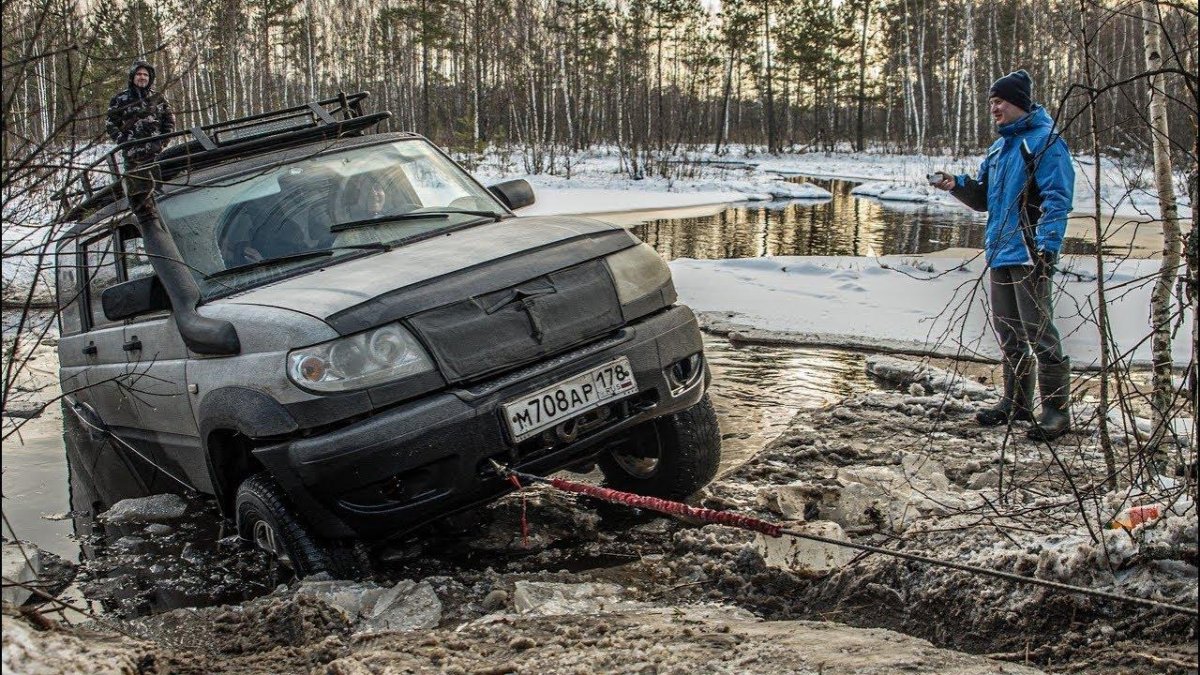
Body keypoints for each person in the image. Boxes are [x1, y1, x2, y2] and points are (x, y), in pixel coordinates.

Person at [933, 69, 1074, 441]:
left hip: (1031, 252)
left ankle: (1057, 412)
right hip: (1000, 251)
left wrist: (1048, 247)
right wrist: (956, 186)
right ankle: (1016, 404)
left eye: (999, 101)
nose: (993, 107)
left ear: (1019, 103)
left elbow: (1058, 200)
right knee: (1009, 332)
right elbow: (983, 200)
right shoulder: (999, 148)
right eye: (991, 102)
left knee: (1039, 332)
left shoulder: (1045, 141)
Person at [106, 60, 176, 166]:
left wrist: (163, 141)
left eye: (145, 75)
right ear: (132, 76)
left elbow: (169, 121)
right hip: (132, 156)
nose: (142, 77)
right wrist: (124, 142)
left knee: (161, 180)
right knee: (135, 182)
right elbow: (110, 124)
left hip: (157, 154)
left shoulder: (157, 98)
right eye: (139, 74)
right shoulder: (119, 99)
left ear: (150, 78)